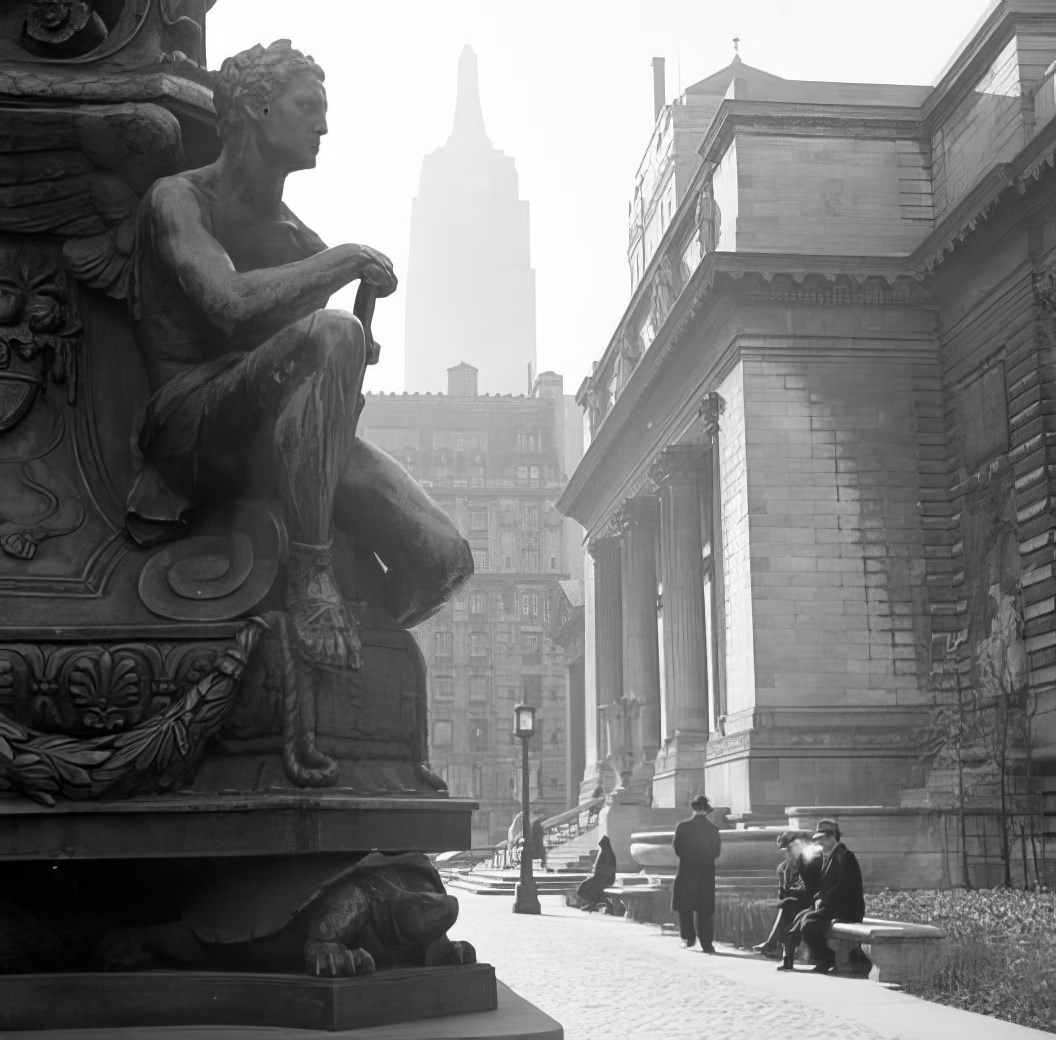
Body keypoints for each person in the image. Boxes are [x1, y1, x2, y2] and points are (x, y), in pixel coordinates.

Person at [128, 40, 471, 670]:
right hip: (191, 426)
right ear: (257, 108)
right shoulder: (178, 199)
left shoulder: (293, 236)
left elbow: (327, 353)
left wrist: (353, 343)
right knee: (333, 332)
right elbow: (228, 303)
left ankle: (340, 660)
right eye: (308, 106)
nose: (324, 125)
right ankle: (312, 579)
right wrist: (345, 264)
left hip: (274, 429)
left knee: (443, 559)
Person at [780, 818, 865, 974]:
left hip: (846, 908)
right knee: (801, 917)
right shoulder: (832, 856)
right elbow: (822, 886)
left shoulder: (845, 857)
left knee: (808, 923)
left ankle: (827, 958)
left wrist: (821, 903)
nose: (818, 843)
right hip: (834, 905)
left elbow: (843, 889)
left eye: (821, 839)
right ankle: (793, 955)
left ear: (831, 837)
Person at [752, 830, 820, 958]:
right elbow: (782, 891)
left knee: (787, 905)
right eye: (787, 849)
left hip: (810, 900)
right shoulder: (783, 867)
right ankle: (774, 945)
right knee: (786, 905)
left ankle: (772, 944)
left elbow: (810, 887)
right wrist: (786, 888)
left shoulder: (809, 861)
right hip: (797, 899)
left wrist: (792, 890)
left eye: (790, 848)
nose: (789, 852)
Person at [671, 793, 722, 953]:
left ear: (693, 809)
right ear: (707, 810)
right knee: (705, 910)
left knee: (684, 906)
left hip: (686, 871)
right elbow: (717, 852)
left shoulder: (682, 826)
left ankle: (689, 937)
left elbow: (677, 849)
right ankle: (707, 943)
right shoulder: (713, 829)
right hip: (706, 873)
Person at [573, 836, 616, 911]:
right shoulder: (604, 853)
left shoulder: (609, 855)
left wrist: (599, 877)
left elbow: (609, 871)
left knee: (593, 887)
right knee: (586, 884)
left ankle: (592, 904)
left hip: (606, 879)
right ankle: (587, 903)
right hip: (601, 877)